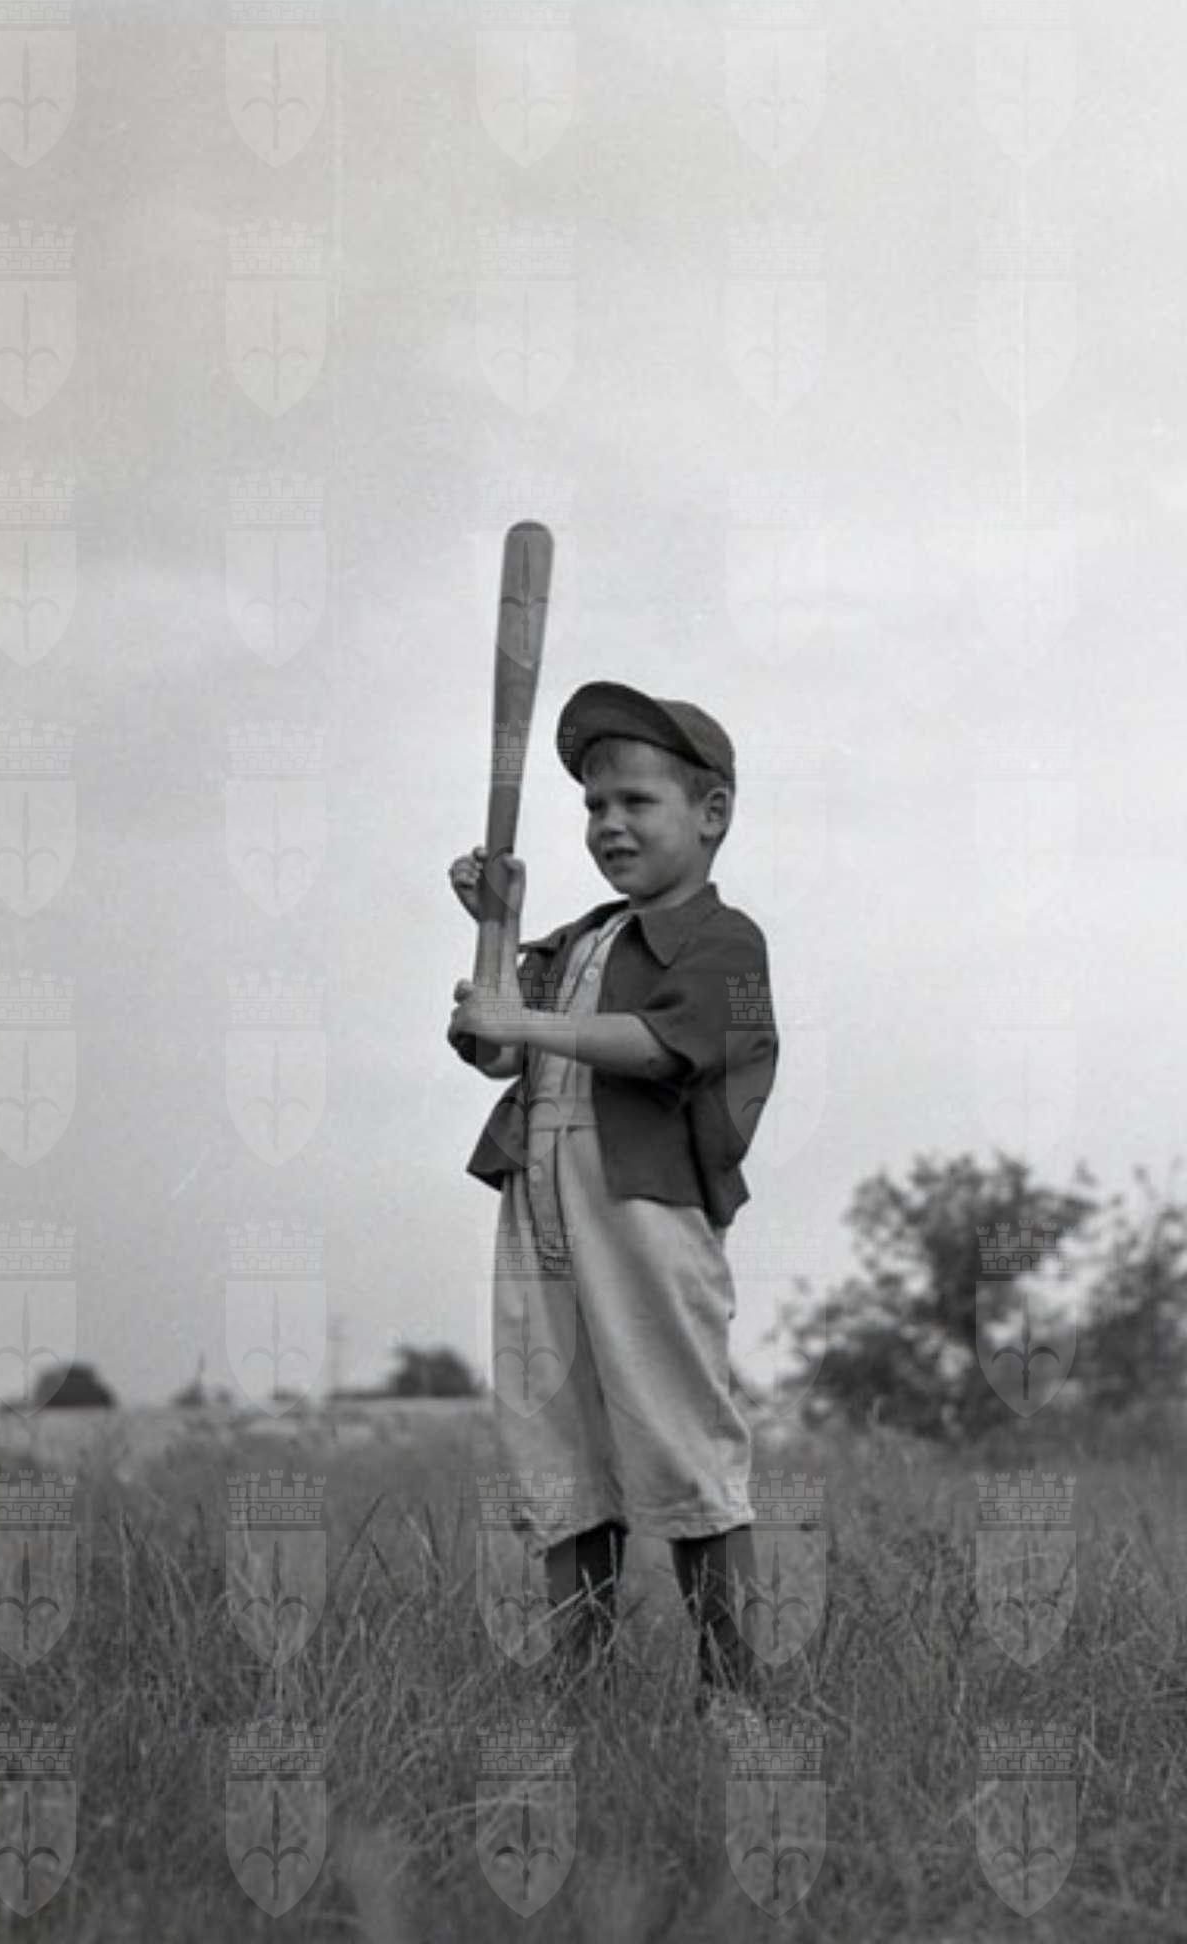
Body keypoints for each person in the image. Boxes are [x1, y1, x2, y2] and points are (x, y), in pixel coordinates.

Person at [447, 681, 779, 1718]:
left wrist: (524, 1022)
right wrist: (497, 930)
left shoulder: (726, 942)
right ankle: (578, 1697)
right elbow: (491, 1044)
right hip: (536, 1203)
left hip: (645, 1207)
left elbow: (665, 1045)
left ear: (711, 813)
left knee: (680, 1439)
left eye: (638, 801)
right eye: (595, 805)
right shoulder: (580, 938)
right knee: (559, 1451)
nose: (610, 824)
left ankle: (733, 1694)